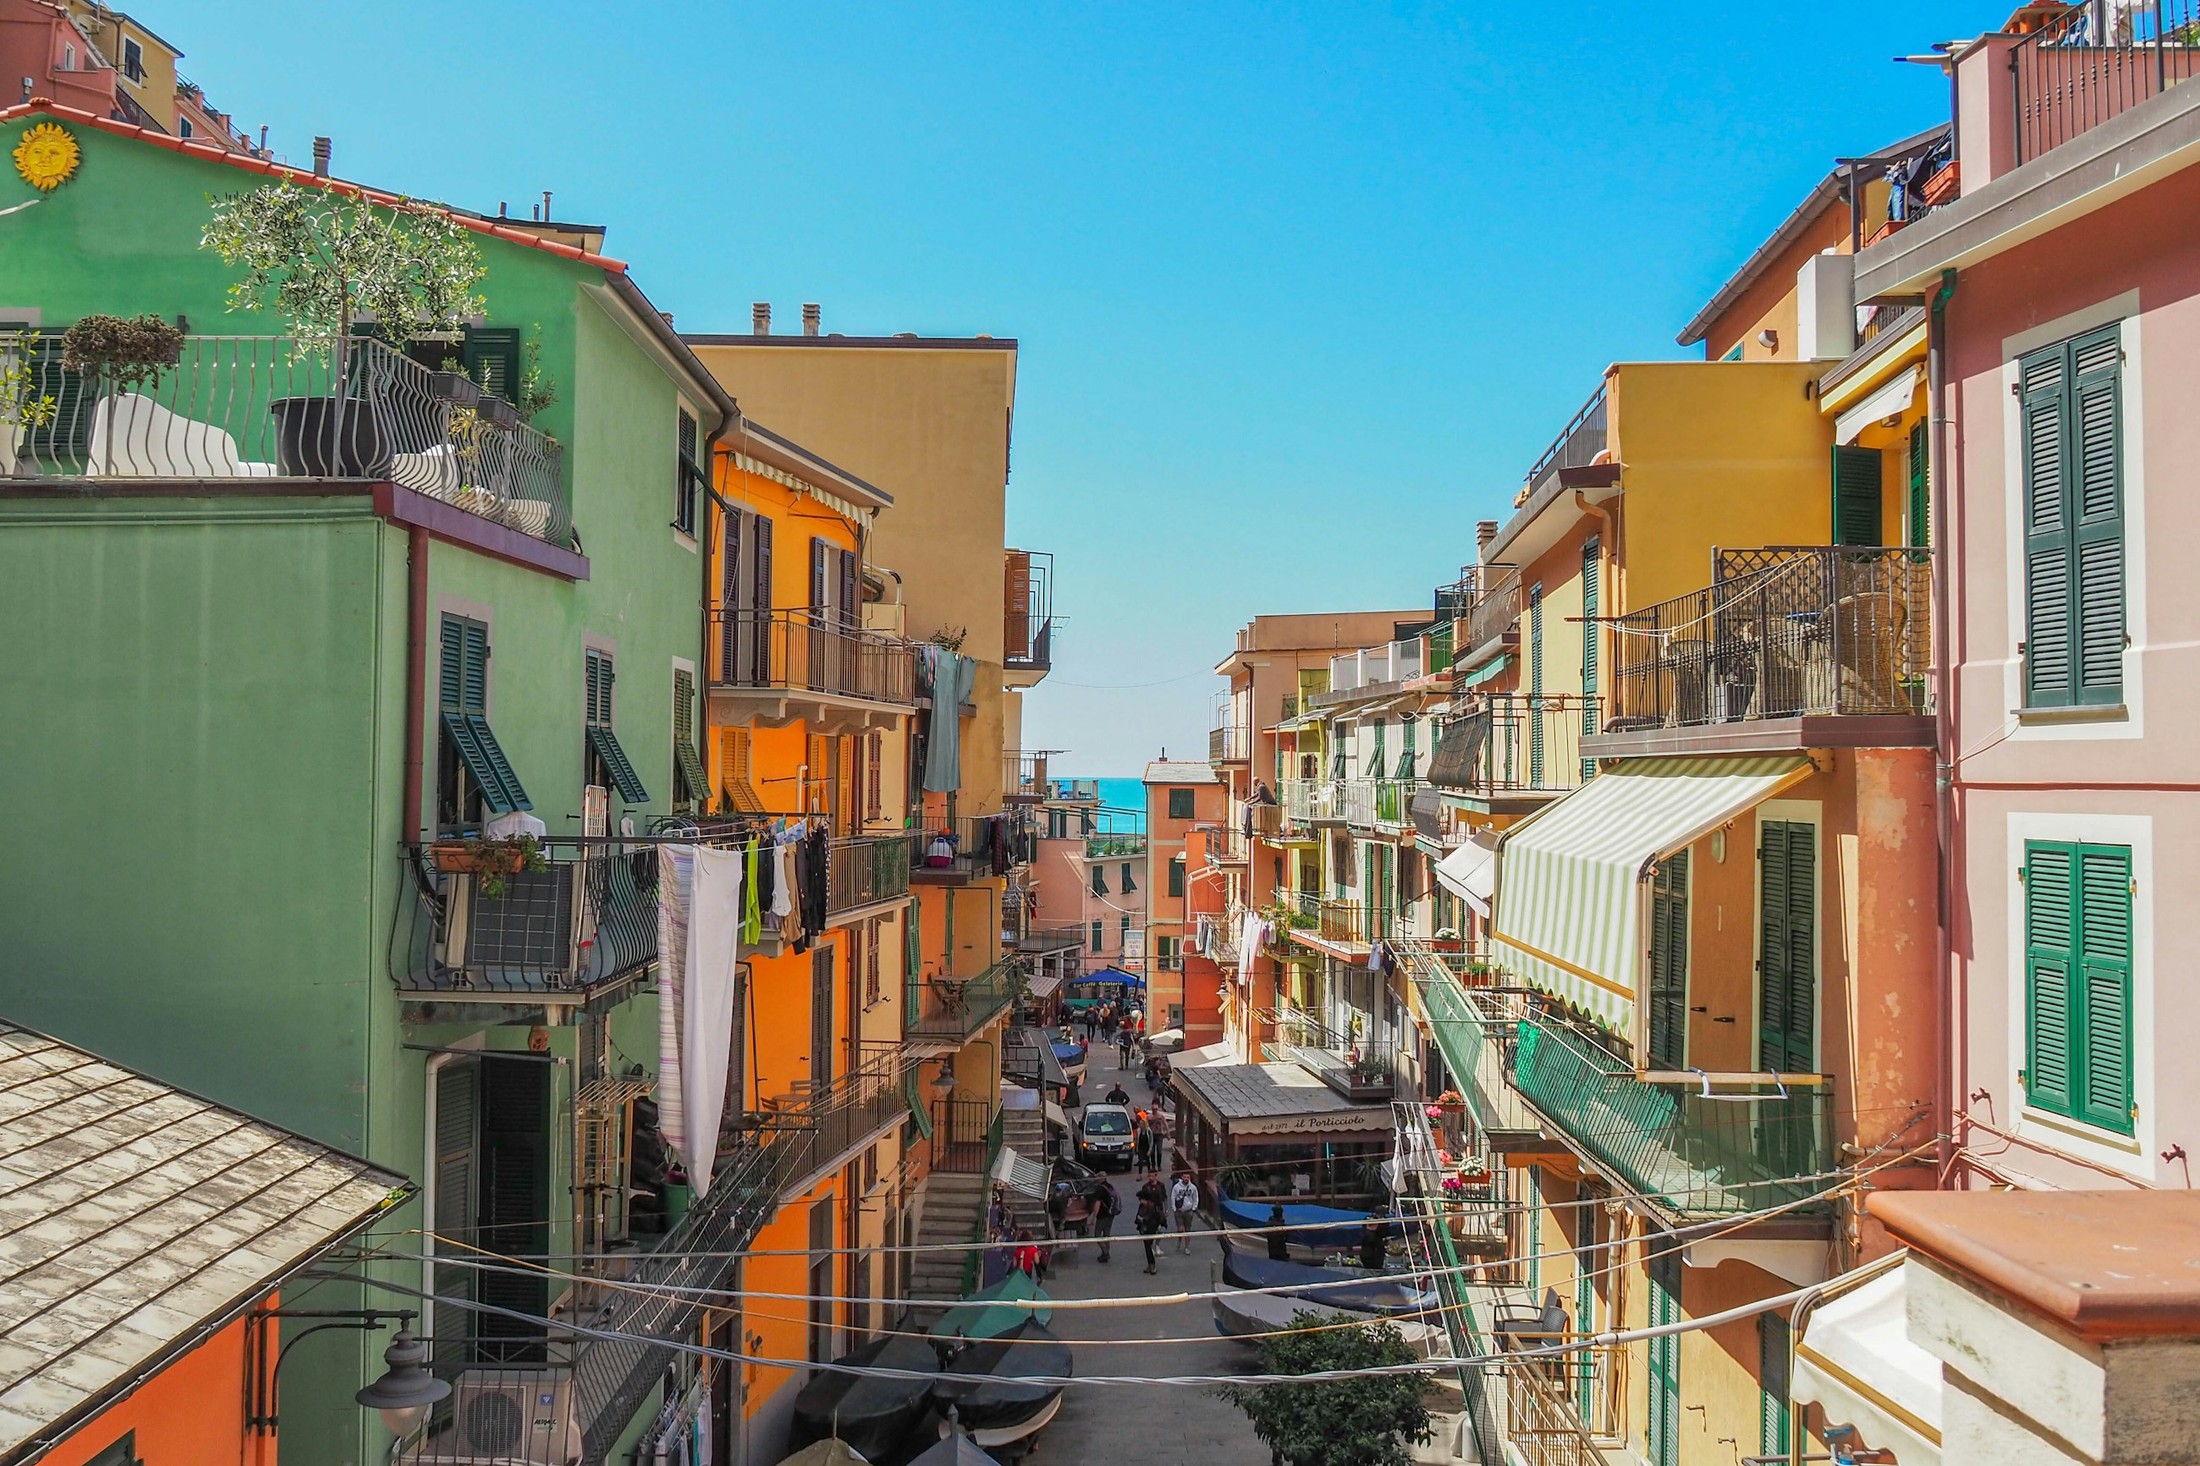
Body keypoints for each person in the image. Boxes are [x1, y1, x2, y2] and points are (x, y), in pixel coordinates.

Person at [1135, 1191, 1165, 1274]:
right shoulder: (1142, 1206)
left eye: (1140, 1199)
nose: (1140, 1201)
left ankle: (1152, 1265)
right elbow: (1138, 1215)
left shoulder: (1152, 1207)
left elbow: (1150, 1218)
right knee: (1147, 1247)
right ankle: (1150, 1264)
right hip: (1144, 1229)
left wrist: (1142, 1219)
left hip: (1151, 1229)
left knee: (1148, 1247)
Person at [1171, 1172, 1200, 1254]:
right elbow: (1173, 1197)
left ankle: (1187, 1247)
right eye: (1185, 1177)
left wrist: (1194, 1208)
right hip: (1179, 1211)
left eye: (1188, 1177)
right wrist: (1174, 1208)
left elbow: (1195, 1197)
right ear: (1182, 1177)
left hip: (1189, 1211)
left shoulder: (1193, 1187)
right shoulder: (1176, 1187)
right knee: (1180, 1229)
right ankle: (1179, 1240)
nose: (1186, 1178)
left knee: (1188, 1229)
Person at [1093, 1177, 1120, 1262]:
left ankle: (1105, 1252)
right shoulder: (1109, 1186)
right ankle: (1106, 1251)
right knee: (1106, 1233)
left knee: (1097, 1233)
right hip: (1111, 1213)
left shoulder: (1100, 1189)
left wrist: (1093, 1217)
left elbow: (1097, 1203)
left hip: (1102, 1215)